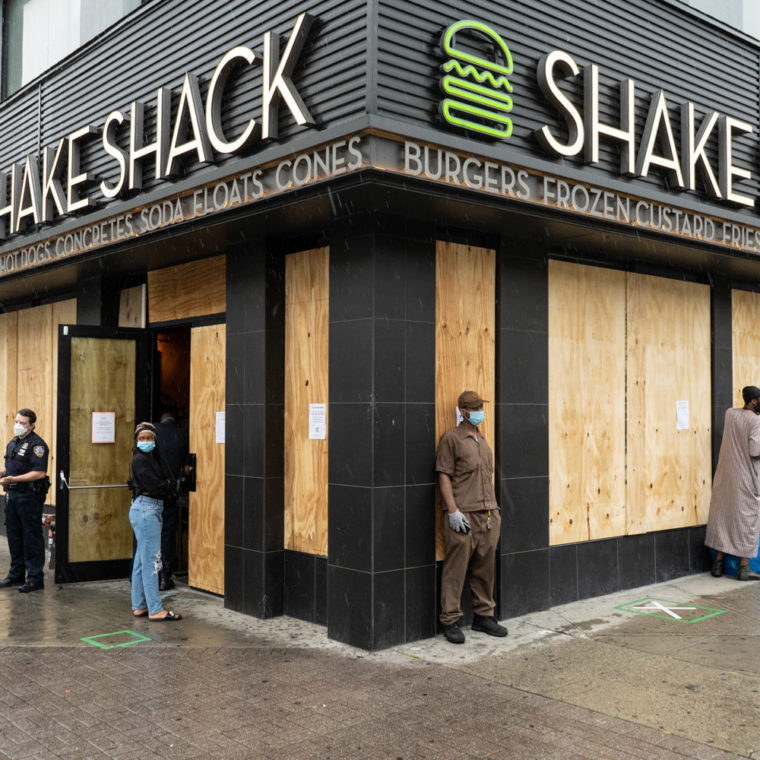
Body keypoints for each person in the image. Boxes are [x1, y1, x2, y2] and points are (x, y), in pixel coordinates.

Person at [436, 390, 508, 644]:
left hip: (488, 514)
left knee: (484, 568)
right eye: (476, 408)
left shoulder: (482, 440)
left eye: (481, 407)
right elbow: (443, 475)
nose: (480, 412)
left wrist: (495, 511)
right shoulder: (452, 439)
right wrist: (453, 511)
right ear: (464, 412)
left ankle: (483, 616)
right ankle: (451, 619)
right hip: (463, 515)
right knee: (456, 570)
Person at [705, 385, 760, 581]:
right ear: (753, 401)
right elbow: (755, 450)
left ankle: (718, 564)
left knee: (724, 518)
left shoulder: (730, 413)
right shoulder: (755, 421)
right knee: (748, 520)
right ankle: (744, 567)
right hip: (746, 478)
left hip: (726, 477)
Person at [129, 421, 183, 620]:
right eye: (142, 438)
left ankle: (140, 605)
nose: (146, 442)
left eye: (150, 438)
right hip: (147, 509)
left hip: (147, 508)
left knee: (141, 561)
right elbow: (158, 486)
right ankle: (155, 609)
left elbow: (169, 481)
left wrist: (166, 485)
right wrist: (166, 486)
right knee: (152, 561)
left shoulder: (154, 459)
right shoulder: (140, 460)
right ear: (136, 440)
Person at [0, 409, 49, 593]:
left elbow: (39, 472)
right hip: (12, 495)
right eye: (17, 421)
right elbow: (11, 466)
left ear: (32, 425)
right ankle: (16, 575)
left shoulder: (37, 445)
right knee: (14, 536)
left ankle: (35, 578)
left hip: (28, 496)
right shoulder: (13, 443)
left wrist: (13, 479)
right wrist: (4, 473)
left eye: (23, 423)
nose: (18, 426)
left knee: (31, 537)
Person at [155, 411, 190, 591]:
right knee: (167, 534)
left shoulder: (154, 431)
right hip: (170, 493)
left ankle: (146, 575)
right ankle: (165, 575)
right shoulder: (182, 434)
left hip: (152, 493)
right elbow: (186, 468)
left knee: (150, 535)